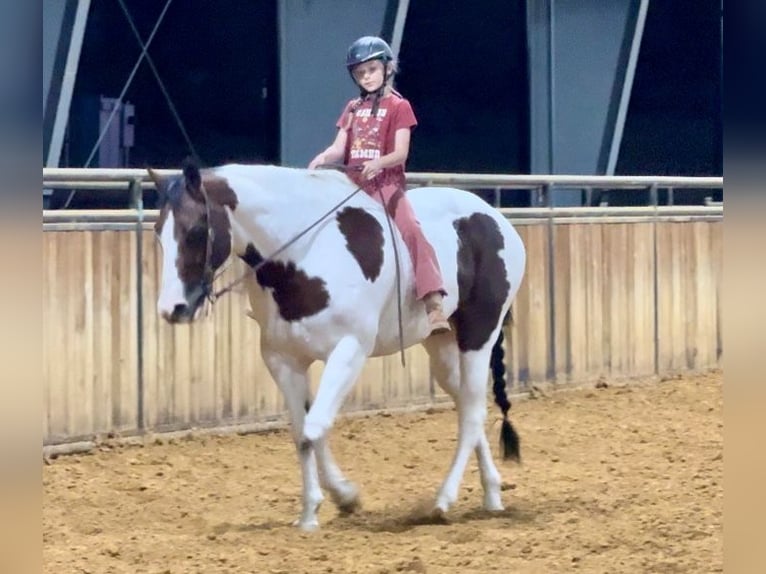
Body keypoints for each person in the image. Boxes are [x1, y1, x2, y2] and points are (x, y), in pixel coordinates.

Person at [308, 36, 450, 335]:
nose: (366, 76)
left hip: (386, 184)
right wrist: (324, 157)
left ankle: (433, 300)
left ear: (386, 69)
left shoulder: (400, 106)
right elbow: (339, 147)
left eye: (371, 69)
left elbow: (401, 153)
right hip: (352, 184)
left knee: (411, 229)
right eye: (360, 73)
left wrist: (379, 163)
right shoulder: (352, 108)